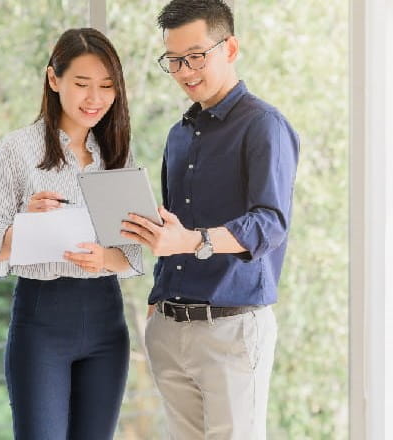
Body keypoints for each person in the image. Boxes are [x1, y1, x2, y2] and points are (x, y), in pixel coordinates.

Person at [121, 1, 299, 438]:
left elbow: (270, 224)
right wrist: (158, 295)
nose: (185, 71)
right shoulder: (179, 134)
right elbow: (175, 224)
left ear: (230, 47)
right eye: (175, 60)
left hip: (231, 330)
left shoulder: (264, 126)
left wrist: (192, 241)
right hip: (169, 328)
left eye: (196, 56)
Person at [0, 28, 143, 440]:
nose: (95, 98)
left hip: (106, 321)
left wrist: (104, 258)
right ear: (54, 80)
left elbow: (132, 254)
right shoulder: (17, 149)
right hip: (41, 322)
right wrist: (27, 222)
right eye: (82, 84)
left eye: (107, 87)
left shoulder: (118, 154)